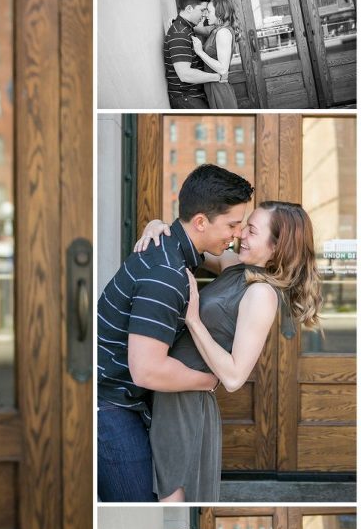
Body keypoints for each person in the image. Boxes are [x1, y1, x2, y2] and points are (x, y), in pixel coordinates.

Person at [136, 201, 321, 501]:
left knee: (169, 498)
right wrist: (157, 226)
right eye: (242, 227)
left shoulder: (261, 294)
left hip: (187, 409)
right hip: (166, 390)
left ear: (277, 246)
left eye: (251, 230)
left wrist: (194, 320)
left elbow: (234, 377)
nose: (240, 235)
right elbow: (189, 241)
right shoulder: (236, 267)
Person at [97, 164, 253, 502]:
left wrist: (159, 223)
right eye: (232, 224)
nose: (237, 234)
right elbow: (147, 369)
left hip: (123, 401)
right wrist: (209, 381)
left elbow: (228, 261)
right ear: (200, 222)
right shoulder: (166, 275)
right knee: (139, 504)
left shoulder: (176, 248)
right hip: (110, 408)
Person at [164, 0, 228, 109]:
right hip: (187, 99)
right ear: (189, 9)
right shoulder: (179, 33)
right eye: (202, 10)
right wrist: (218, 77)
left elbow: (208, 30)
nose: (204, 15)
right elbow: (185, 74)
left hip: (193, 97)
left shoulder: (186, 28)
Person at [191, 0, 240, 109]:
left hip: (219, 88)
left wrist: (200, 52)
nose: (205, 14)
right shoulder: (215, 29)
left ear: (219, 13)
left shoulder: (223, 32)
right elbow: (198, 29)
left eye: (209, 11)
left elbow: (223, 69)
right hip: (212, 85)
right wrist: (178, 22)